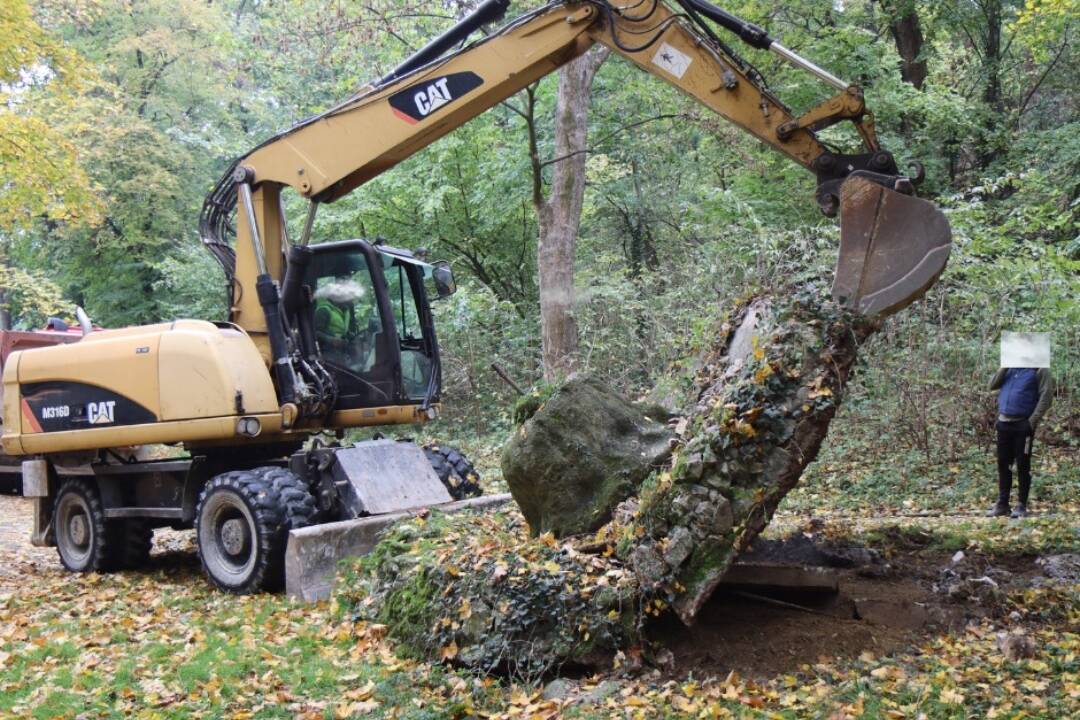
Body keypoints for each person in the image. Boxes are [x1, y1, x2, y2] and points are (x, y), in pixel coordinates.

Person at [987, 366, 1053, 518]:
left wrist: (1032, 421)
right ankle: (1003, 504)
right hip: (1004, 422)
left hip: (1023, 424)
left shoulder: (1039, 369)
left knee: (1023, 464)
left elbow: (1046, 396)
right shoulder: (1010, 367)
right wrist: (1004, 367)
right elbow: (991, 385)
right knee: (1003, 463)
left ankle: (1021, 504)